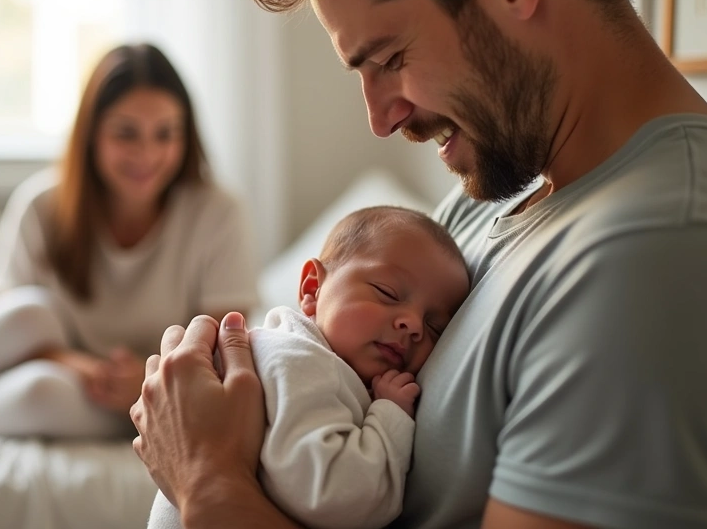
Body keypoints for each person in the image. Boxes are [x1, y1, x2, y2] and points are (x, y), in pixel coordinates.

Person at [130, 0, 707, 528]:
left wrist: (207, 480)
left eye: (390, 58)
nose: (382, 118)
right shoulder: (494, 206)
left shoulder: (660, 261)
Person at [0, 42, 258, 439]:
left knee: (40, 395)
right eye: (127, 133)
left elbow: (224, 348)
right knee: (30, 325)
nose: (147, 153)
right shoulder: (41, 205)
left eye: (165, 134)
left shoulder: (217, 213)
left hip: (160, 395)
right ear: (91, 134)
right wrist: (83, 367)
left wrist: (147, 377)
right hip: (75, 376)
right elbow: (7, 335)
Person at [147, 206, 470, 529]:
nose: (412, 324)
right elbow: (334, 497)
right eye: (387, 293)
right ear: (312, 289)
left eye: (434, 327)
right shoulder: (299, 361)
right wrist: (389, 418)